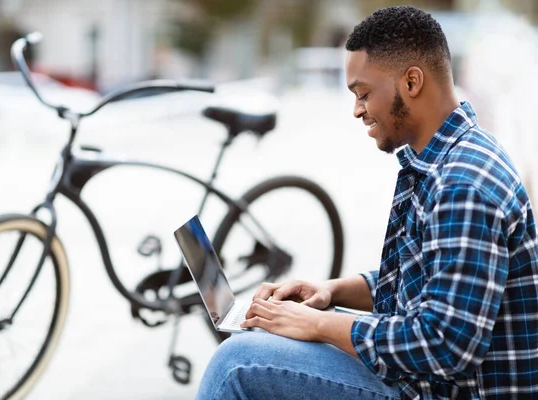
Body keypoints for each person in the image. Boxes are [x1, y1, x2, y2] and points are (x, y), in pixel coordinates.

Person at [195, 5, 538, 400]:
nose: (357, 110)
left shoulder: (464, 183)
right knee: (269, 332)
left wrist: (318, 326)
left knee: (236, 363)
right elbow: (424, 283)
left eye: (363, 93)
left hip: (442, 389)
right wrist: (330, 292)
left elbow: (445, 344)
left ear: (411, 82)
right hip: (426, 382)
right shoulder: (447, 159)